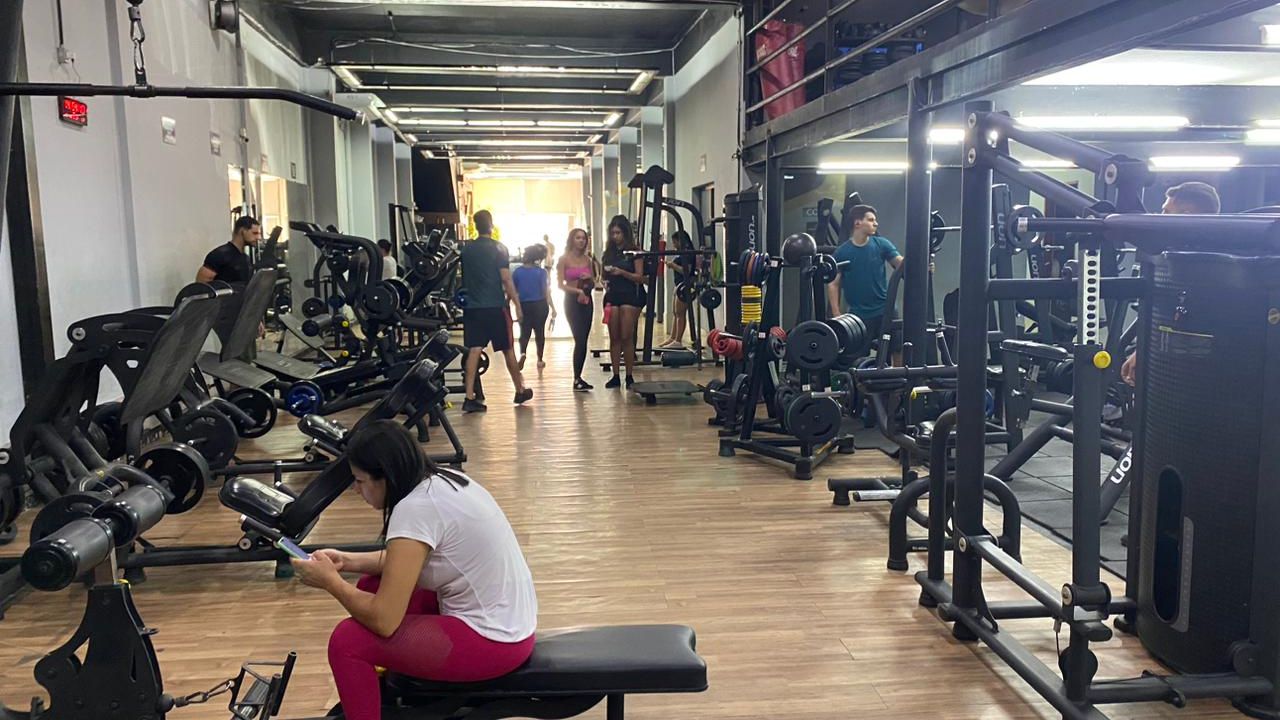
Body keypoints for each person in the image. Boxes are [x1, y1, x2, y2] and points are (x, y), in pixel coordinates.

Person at [291, 420, 537, 720]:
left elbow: (384, 621)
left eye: (359, 481)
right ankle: (386, 696)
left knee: (348, 641)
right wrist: (348, 560)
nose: (356, 489)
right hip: (509, 625)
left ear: (385, 476)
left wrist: (332, 582)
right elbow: (411, 559)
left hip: (494, 643)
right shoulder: (444, 481)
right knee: (370, 585)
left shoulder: (415, 509)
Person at [1120, 181, 1221, 386]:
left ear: (1187, 215)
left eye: (1166, 211)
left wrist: (1144, 353)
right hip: (1178, 363)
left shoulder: (1204, 266)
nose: (1160, 216)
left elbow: (1179, 321)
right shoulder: (1174, 257)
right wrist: (1141, 351)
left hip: (1196, 371)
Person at [459, 210, 533, 412]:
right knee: (508, 349)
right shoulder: (499, 248)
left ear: (475, 226)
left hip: (473, 307)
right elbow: (506, 279)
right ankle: (520, 390)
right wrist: (517, 305)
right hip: (495, 307)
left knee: (474, 349)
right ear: (491, 225)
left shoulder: (467, 250)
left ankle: (469, 397)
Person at [825, 205, 903, 346]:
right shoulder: (842, 252)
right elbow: (833, 284)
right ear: (858, 223)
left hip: (885, 310)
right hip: (858, 314)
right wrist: (836, 314)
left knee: (896, 349)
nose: (876, 223)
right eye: (871, 220)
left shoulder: (882, 244)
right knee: (858, 353)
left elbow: (902, 264)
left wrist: (924, 265)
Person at [601, 215, 647, 389]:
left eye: (618, 233)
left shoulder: (635, 252)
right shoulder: (609, 253)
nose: (615, 237)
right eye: (613, 233)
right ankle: (615, 375)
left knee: (626, 336)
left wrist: (622, 272)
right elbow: (602, 275)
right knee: (614, 337)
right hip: (613, 295)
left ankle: (629, 375)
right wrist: (604, 281)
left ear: (625, 233)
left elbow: (641, 277)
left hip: (631, 295)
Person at [557, 227, 599, 391]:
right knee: (579, 338)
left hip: (586, 300)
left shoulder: (588, 260)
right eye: (578, 238)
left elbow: (594, 282)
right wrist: (577, 291)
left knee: (584, 340)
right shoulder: (564, 259)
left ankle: (578, 377)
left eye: (583, 238)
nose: (581, 241)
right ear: (572, 240)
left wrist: (589, 279)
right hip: (572, 301)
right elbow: (561, 285)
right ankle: (576, 378)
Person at [512, 245, 555, 371]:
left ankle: (523, 353)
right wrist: (553, 308)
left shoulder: (517, 272)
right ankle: (540, 359)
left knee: (524, 332)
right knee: (539, 332)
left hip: (524, 305)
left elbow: (513, 292)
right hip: (540, 305)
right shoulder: (541, 272)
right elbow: (546, 292)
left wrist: (513, 306)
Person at [198, 216, 261, 284]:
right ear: (242, 231)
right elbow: (201, 285)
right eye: (255, 233)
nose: (259, 238)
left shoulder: (246, 258)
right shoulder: (219, 255)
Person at [659, 230, 695, 349]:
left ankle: (678, 340)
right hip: (679, 285)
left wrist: (673, 265)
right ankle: (673, 338)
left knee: (680, 313)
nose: (674, 245)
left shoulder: (688, 253)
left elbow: (687, 270)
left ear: (680, 241)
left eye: (675, 242)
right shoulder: (681, 253)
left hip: (685, 285)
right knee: (675, 313)